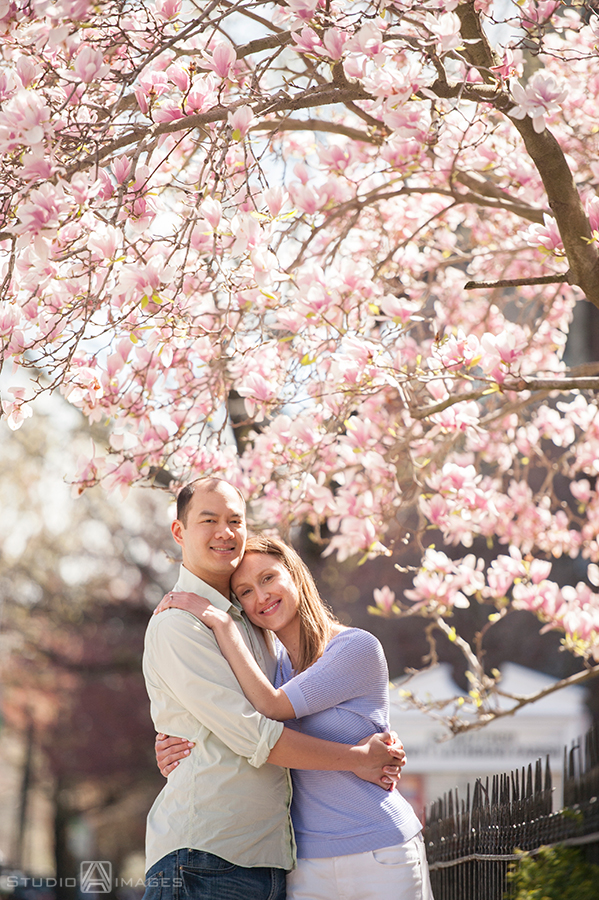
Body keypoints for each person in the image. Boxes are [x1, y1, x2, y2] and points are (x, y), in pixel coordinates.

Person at [142, 477, 405, 900]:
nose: (224, 531)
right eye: (208, 520)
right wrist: (358, 758)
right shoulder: (181, 623)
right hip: (207, 856)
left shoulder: (254, 626)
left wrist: (371, 734)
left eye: (235, 520)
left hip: (269, 859)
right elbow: (255, 732)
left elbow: (305, 701)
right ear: (179, 532)